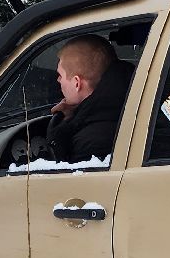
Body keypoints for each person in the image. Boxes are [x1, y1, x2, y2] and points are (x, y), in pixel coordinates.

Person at [43, 35, 132, 164]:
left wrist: (58, 133)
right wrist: (74, 116)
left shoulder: (90, 142)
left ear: (77, 83)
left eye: (60, 75)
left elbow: (68, 178)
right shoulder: (126, 99)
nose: (58, 80)